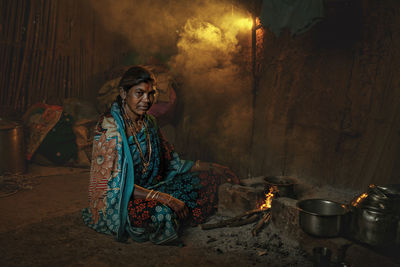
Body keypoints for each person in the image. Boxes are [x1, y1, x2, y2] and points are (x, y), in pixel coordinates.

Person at [82, 66, 239, 244]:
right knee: (162, 213)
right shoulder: (109, 127)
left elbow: (173, 164)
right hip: (122, 201)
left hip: (156, 187)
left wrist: (212, 167)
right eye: (139, 93)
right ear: (123, 93)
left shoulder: (150, 122)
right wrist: (165, 199)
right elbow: (116, 185)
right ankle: (174, 216)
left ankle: (178, 214)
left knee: (208, 180)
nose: (146, 100)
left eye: (150, 94)